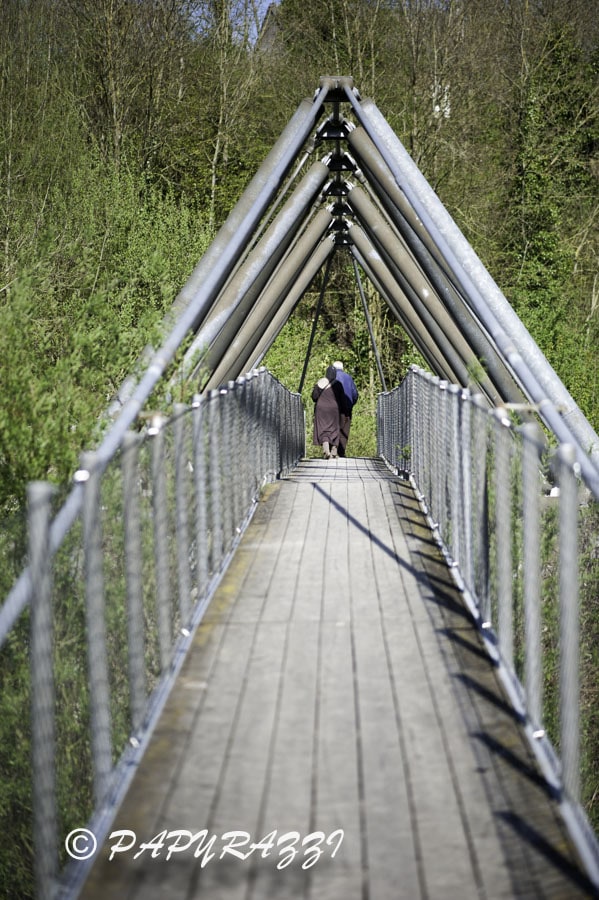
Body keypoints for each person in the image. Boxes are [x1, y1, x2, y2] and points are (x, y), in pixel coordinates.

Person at [311, 364, 344, 459]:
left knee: (323, 429)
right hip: (334, 409)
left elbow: (314, 397)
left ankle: (326, 451)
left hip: (321, 409)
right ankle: (334, 451)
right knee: (334, 429)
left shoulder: (320, 382)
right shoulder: (338, 384)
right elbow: (342, 399)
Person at [332, 361, 358, 457]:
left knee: (332, 427)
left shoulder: (331, 377)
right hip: (346, 408)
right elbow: (354, 393)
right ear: (342, 368)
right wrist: (350, 404)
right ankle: (341, 452)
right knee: (345, 429)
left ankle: (332, 449)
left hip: (333, 407)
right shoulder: (349, 377)